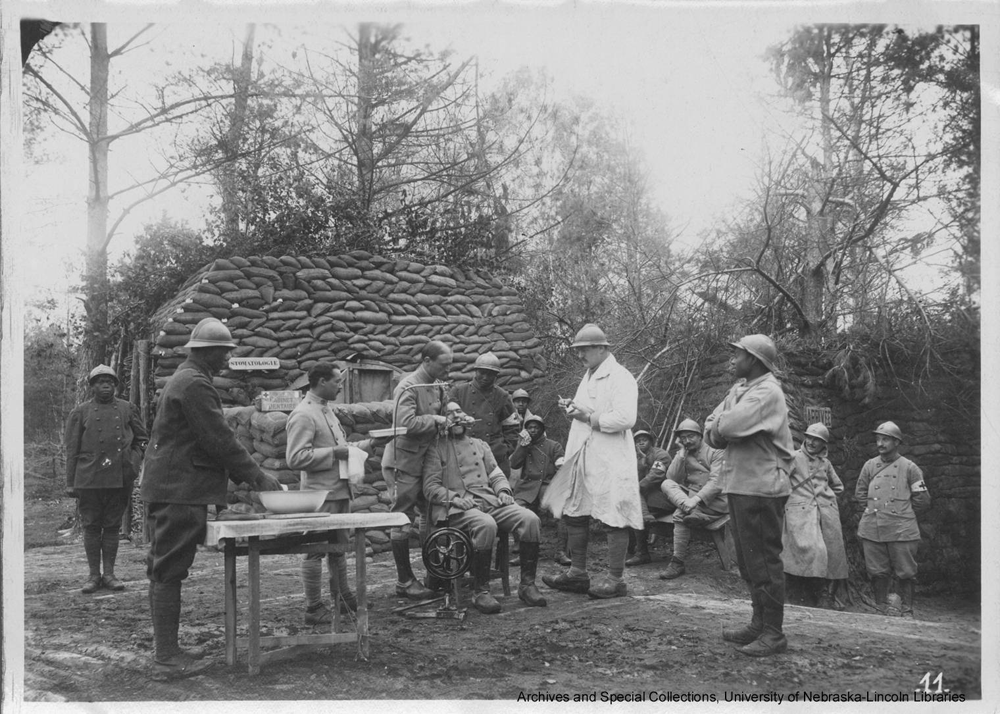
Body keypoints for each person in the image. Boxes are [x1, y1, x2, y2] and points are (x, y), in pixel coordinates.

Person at [141, 318, 283, 679]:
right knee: (168, 570)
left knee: (163, 569)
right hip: (180, 489)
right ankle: (166, 660)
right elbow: (218, 439)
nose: (227, 359)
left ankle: (167, 650)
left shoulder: (188, 379)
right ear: (208, 352)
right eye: (224, 352)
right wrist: (258, 477)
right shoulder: (194, 384)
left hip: (173, 486)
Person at [704, 334, 794, 657]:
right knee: (746, 561)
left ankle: (774, 632)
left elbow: (726, 426)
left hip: (762, 488)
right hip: (740, 485)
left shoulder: (768, 392)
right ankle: (759, 622)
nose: (733, 359)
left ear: (754, 360)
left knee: (763, 561)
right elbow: (710, 429)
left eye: (738, 354)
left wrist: (720, 425)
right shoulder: (740, 389)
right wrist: (720, 426)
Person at [542, 323, 643, 599]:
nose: (580, 355)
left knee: (614, 513)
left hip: (610, 456)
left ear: (602, 348)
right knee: (576, 509)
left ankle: (615, 579)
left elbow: (625, 418)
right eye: (578, 350)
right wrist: (574, 409)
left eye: (584, 350)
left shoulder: (621, 377)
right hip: (584, 453)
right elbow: (588, 410)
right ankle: (577, 573)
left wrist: (589, 417)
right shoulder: (588, 376)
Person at [286, 362, 387, 625]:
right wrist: (333, 454)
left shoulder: (326, 411)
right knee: (314, 551)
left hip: (339, 492)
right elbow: (295, 458)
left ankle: (343, 598)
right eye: (336, 381)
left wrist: (371, 444)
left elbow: (342, 447)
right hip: (319, 497)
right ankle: (313, 607)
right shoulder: (303, 415)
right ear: (320, 382)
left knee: (339, 549)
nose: (341, 386)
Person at [423, 402, 548, 612]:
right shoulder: (436, 448)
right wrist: (454, 499)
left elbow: (495, 474)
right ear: (441, 421)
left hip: (488, 500)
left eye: (459, 412)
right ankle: (481, 591)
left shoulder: (480, 444)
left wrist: (503, 491)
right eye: (449, 414)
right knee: (486, 524)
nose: (456, 417)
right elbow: (430, 487)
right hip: (457, 507)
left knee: (530, 519)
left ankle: (527, 585)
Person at [64, 365, 148, 594]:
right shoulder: (80, 412)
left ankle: (109, 574)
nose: (106, 386)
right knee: (91, 526)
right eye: (100, 382)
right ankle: (93, 576)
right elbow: (72, 449)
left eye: (110, 382)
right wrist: (70, 482)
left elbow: (142, 439)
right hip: (89, 478)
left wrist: (134, 460)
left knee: (112, 526)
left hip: (119, 477)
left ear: (115, 386)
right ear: (92, 386)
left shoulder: (127, 408)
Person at [381, 340, 453, 601]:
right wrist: (435, 420)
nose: (448, 370)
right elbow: (406, 423)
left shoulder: (435, 385)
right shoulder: (409, 386)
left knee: (430, 514)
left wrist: (452, 416)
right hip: (405, 463)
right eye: (444, 365)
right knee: (402, 517)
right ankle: (404, 581)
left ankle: (433, 574)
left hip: (427, 463)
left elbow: (440, 414)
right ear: (426, 361)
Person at [855, 421, 931, 619]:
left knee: (906, 571)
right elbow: (860, 493)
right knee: (877, 571)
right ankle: (881, 609)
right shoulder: (870, 466)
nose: (880, 443)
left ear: (897, 442)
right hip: (874, 527)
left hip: (901, 528)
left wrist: (902, 514)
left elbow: (922, 500)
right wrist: (874, 511)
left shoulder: (910, 468)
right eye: (878, 439)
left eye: (885, 439)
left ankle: (907, 610)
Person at [782, 423, 849, 609]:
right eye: (810, 438)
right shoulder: (794, 458)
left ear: (823, 445)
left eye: (817, 440)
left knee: (832, 552)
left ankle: (826, 595)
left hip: (825, 514)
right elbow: (781, 482)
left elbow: (838, 486)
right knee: (812, 549)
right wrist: (793, 500)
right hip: (799, 514)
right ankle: (805, 594)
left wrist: (827, 499)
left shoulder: (825, 464)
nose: (812, 443)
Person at [657, 419, 727, 580]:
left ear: (700, 436)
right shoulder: (684, 453)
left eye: (691, 436)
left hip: (715, 500)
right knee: (667, 483)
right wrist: (681, 453)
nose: (687, 441)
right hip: (691, 501)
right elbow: (671, 477)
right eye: (683, 437)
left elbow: (716, 483)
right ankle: (691, 510)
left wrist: (695, 500)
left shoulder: (716, 452)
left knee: (679, 515)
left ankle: (677, 562)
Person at [448, 352, 521, 476]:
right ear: (475, 372)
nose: (485, 377)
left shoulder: (502, 396)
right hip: (464, 453)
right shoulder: (459, 392)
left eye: (490, 374)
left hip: (494, 455)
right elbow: (448, 421)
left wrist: (504, 450)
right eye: (482, 373)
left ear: (496, 376)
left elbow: (512, 427)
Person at [508, 415, 566, 566]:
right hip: (527, 487)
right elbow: (514, 464)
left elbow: (561, 463)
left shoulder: (553, 445)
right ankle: (523, 552)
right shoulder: (523, 445)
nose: (533, 430)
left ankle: (561, 552)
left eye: (536, 427)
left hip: (547, 486)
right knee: (517, 509)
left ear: (542, 429)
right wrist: (522, 446)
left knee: (560, 509)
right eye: (530, 427)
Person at [627, 429, 673, 566]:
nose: (641, 442)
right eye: (638, 440)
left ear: (651, 442)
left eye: (644, 439)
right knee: (629, 507)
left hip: (664, 497)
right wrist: (641, 462)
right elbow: (633, 478)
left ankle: (642, 553)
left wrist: (634, 488)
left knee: (636, 511)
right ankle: (632, 548)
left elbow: (655, 476)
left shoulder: (661, 455)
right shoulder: (636, 458)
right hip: (647, 498)